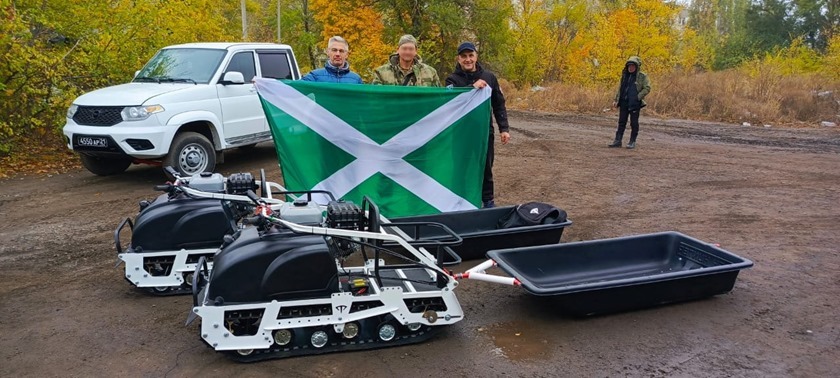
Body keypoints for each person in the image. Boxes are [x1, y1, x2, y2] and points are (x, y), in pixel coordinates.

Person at [445, 42, 510, 209]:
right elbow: (450, 104)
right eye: (464, 56)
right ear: (458, 58)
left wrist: (504, 129)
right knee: (460, 168)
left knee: (485, 168)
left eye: (470, 55)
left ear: (476, 56)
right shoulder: (451, 79)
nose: (468, 59)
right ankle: (457, 201)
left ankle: (488, 201)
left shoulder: (489, 77)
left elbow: (499, 103)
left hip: (483, 133)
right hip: (460, 134)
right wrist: (470, 89)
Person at [609, 56, 651, 149]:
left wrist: (638, 97)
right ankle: (617, 140)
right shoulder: (625, 75)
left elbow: (647, 88)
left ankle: (632, 141)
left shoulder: (642, 76)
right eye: (629, 66)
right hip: (624, 101)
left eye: (632, 66)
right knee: (621, 122)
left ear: (636, 66)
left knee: (634, 123)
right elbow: (620, 89)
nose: (630, 68)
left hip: (635, 103)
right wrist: (616, 100)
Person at [372, 34, 440, 86]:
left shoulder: (430, 73)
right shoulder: (381, 73)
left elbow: (439, 97)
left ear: (416, 51)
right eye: (404, 48)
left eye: (411, 49)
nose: (407, 52)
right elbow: (375, 97)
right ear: (398, 49)